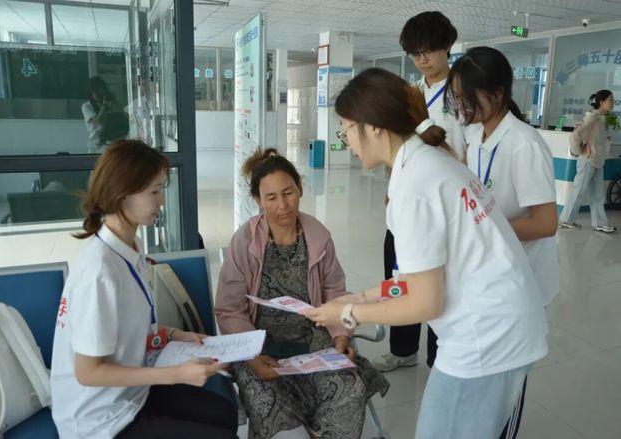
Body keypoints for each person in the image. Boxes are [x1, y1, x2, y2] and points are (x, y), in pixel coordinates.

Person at [302, 68, 548, 439]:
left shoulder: (414, 187)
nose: (346, 141)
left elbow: (424, 303)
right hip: (495, 323)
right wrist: (363, 296)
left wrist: (349, 314)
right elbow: (415, 282)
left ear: (374, 127)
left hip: (488, 337)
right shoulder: (428, 162)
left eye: (346, 129)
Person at [50, 140, 238, 439]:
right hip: (100, 421)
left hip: (132, 394)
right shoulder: (99, 273)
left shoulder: (130, 248)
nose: (161, 201)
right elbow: (88, 372)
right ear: (122, 194)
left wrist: (177, 335)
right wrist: (175, 374)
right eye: (154, 191)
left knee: (224, 413)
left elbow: (129, 327)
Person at [215, 148, 389, 439]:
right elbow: (229, 308)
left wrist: (341, 336)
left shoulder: (318, 236)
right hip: (260, 346)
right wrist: (252, 356)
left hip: (313, 340)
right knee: (268, 401)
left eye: (288, 193)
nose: (283, 205)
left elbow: (334, 293)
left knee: (350, 389)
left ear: (300, 189)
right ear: (258, 200)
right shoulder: (245, 241)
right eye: (271, 197)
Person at [446, 46, 559, 439]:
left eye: (468, 97)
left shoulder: (524, 143)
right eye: (456, 97)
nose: (461, 106)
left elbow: (546, 222)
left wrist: (487, 228)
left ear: (497, 93)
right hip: (491, 274)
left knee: (506, 389)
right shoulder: (474, 134)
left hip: (523, 281)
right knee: (486, 380)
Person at [374, 10, 466, 374]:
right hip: (406, 204)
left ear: (447, 46)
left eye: (429, 50)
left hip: (442, 206)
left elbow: (465, 155)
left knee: (438, 283)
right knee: (399, 275)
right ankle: (402, 349)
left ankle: (438, 357)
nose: (422, 59)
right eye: (415, 53)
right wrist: (392, 184)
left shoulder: (461, 95)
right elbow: (396, 142)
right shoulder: (410, 94)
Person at [559, 90, 616, 233]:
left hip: (598, 161)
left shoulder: (603, 119)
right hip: (588, 161)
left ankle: (599, 223)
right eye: (610, 100)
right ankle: (566, 220)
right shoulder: (592, 119)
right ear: (601, 102)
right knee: (578, 192)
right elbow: (575, 136)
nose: (613, 103)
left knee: (598, 195)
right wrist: (577, 152)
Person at [82, 76, 117, 153]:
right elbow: (99, 121)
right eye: (96, 91)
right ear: (91, 92)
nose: (100, 94)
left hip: (112, 141)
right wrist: (104, 106)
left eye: (101, 90)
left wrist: (114, 102)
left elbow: (121, 117)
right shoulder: (87, 106)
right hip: (96, 142)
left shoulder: (110, 103)